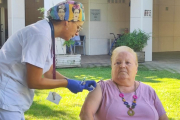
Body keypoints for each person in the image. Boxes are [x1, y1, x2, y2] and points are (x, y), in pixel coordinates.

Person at [0, 1, 96, 120]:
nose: (77, 33)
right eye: (78, 27)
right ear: (67, 22)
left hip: (12, 101)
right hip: (6, 100)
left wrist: (74, 82)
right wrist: (67, 84)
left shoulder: (47, 32)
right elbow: (34, 81)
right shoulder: (40, 35)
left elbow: (50, 73)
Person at [80, 46, 168, 120]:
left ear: (136, 68)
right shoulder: (101, 88)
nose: (122, 66)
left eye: (128, 62)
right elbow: (85, 114)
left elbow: (163, 118)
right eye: (117, 63)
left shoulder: (149, 90)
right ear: (112, 67)